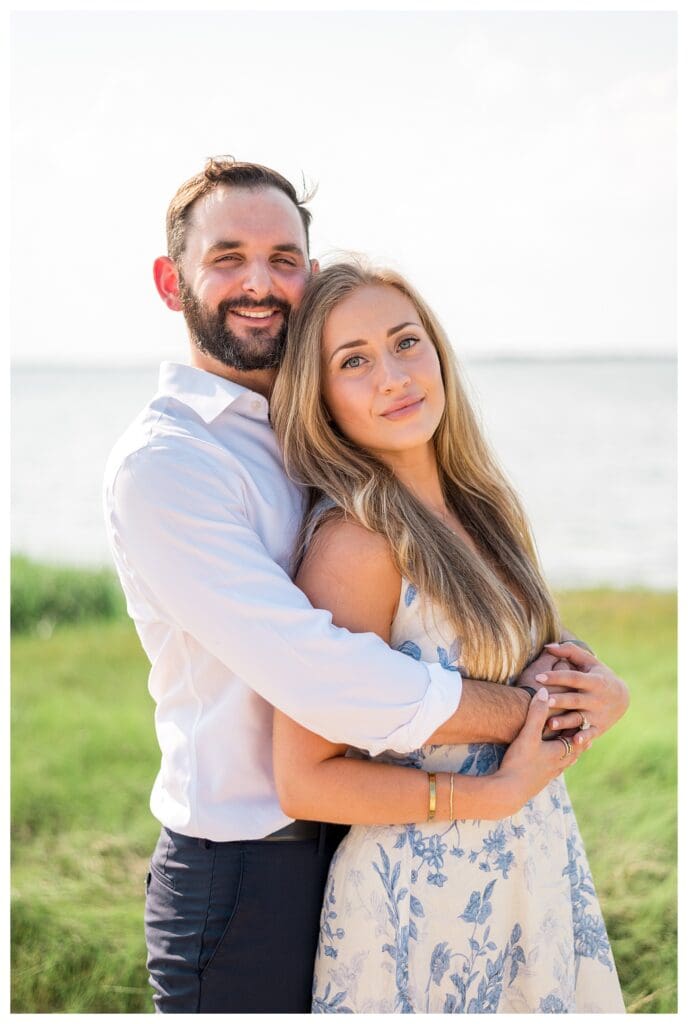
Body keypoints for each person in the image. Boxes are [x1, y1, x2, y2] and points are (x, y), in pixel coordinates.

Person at [103, 158, 629, 1013]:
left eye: (283, 258)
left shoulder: (311, 446)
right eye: (227, 257)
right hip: (246, 872)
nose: (260, 283)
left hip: (375, 842)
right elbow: (324, 674)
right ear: (173, 282)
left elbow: (458, 625)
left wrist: (588, 687)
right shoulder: (171, 464)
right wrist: (533, 717)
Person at [269, 261, 627, 1013]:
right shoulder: (357, 545)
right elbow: (305, 778)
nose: (393, 375)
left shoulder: (483, 506)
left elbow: (525, 664)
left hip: (532, 866)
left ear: (438, 352)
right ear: (323, 398)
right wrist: (489, 796)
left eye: (406, 342)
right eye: (355, 361)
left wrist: (604, 691)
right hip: (419, 903)